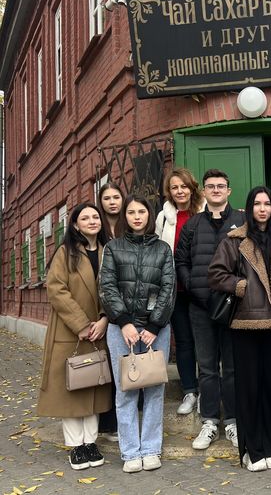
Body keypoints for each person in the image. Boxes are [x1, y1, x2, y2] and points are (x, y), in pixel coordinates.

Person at [208, 186, 271, 472]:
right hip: (245, 324)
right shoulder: (234, 240)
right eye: (257, 204)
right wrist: (241, 286)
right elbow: (216, 274)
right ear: (249, 208)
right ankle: (252, 449)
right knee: (249, 388)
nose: (262, 209)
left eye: (267, 204)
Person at [99, 194, 175, 473]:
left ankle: (151, 449)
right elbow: (107, 286)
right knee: (125, 391)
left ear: (149, 215)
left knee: (154, 389)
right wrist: (124, 322)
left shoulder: (163, 249)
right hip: (122, 330)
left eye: (141, 212)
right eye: (131, 212)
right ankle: (130, 452)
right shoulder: (113, 248)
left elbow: (169, 288)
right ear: (125, 217)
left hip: (156, 330)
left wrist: (155, 325)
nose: (137, 217)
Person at [174, 169, 245, 450]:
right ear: (203, 192)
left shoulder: (242, 221)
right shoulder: (192, 225)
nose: (216, 190)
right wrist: (192, 286)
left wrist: (240, 289)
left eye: (221, 186)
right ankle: (210, 421)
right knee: (206, 368)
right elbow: (181, 261)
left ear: (229, 191)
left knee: (233, 367)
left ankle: (234, 422)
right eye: (211, 186)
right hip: (200, 307)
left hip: (233, 307)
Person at [38, 203, 111, 470]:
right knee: (71, 387)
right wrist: (81, 324)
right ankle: (75, 446)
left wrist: (105, 319)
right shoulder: (65, 252)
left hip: (99, 329)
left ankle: (90, 442)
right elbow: (56, 289)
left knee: (93, 386)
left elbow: (113, 288)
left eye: (95, 216)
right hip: (70, 330)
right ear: (76, 225)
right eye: (85, 218)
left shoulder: (108, 251)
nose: (92, 221)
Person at [156, 168, 205, 415]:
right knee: (184, 341)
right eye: (174, 187)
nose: (180, 191)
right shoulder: (163, 217)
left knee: (205, 341)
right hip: (176, 289)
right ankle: (189, 390)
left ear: (192, 188)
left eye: (184, 186)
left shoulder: (205, 211)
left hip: (201, 288)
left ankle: (207, 390)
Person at [96, 181, 125, 442]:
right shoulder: (97, 228)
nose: (112, 202)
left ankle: (121, 420)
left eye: (116, 197)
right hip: (101, 300)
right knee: (105, 364)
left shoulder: (130, 224)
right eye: (107, 198)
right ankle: (106, 422)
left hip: (128, 303)